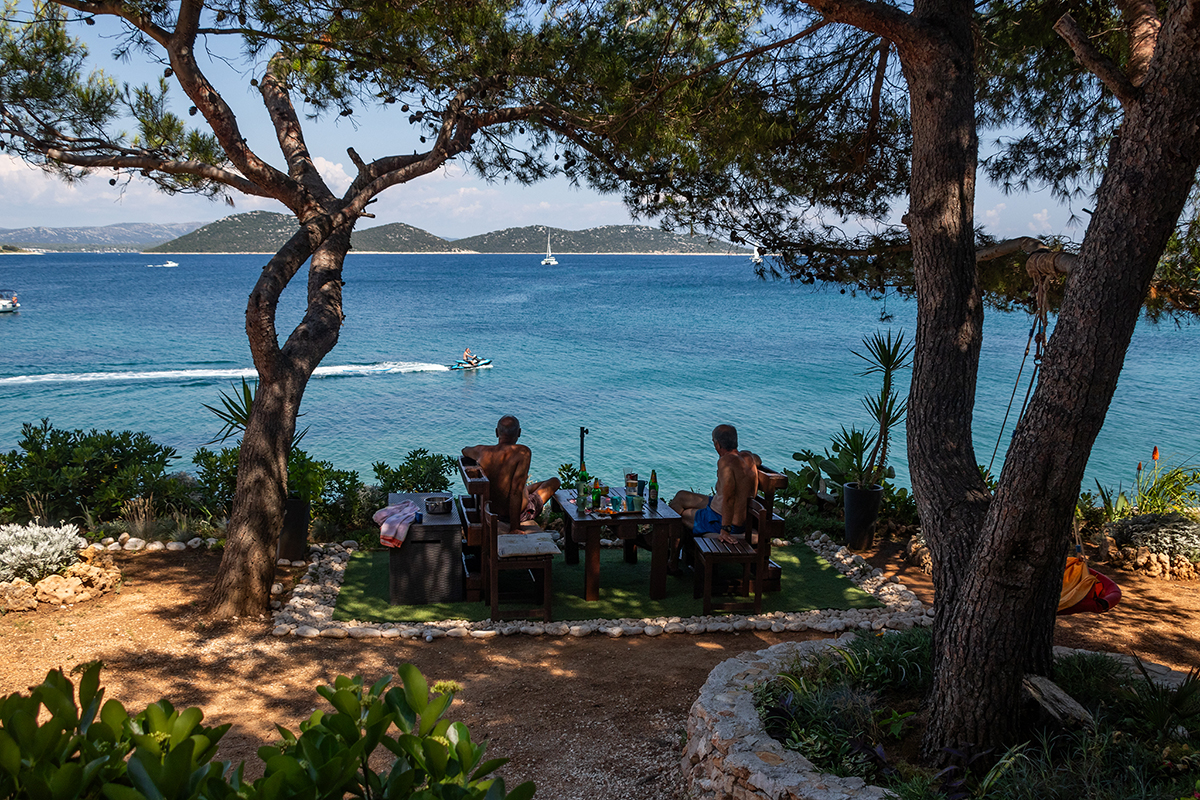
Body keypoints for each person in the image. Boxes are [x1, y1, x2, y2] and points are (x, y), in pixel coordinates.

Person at [669, 424, 760, 548]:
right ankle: (672, 548)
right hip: (730, 512)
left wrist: (725, 530)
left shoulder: (725, 463)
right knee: (681, 496)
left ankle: (670, 556)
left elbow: (729, 499)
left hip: (724, 520)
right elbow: (757, 459)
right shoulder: (748, 457)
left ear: (717, 444)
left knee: (683, 515)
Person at [462, 415, 560, 528]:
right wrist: (515, 527)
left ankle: (528, 492)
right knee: (554, 481)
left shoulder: (482, 451)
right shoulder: (523, 452)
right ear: (519, 433)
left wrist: (479, 452)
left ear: (496, 432)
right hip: (518, 514)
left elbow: (464, 450)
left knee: (535, 486)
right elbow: (515, 491)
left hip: (491, 509)